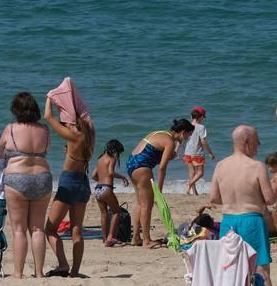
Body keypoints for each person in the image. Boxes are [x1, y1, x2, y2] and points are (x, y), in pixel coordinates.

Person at [208, 125, 277, 286]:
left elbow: (213, 197)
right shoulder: (257, 166)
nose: (259, 146)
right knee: (261, 272)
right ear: (247, 142)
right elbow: (269, 198)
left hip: (229, 221)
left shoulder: (221, 166)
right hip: (251, 220)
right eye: (257, 142)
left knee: (230, 273)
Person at [0, 91, 51, 278]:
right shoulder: (44, 130)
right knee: (38, 228)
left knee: (19, 229)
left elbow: (0, 153)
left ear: (15, 110)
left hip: (16, 178)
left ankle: (18, 273)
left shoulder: (10, 128)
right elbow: (47, 149)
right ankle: (39, 272)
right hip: (42, 178)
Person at [43, 94, 96, 277]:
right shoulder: (90, 138)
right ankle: (75, 271)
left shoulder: (74, 137)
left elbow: (48, 118)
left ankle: (63, 264)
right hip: (83, 183)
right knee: (76, 231)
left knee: (49, 229)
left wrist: (50, 97)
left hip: (69, 182)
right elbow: (87, 121)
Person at [126, 118, 195, 247]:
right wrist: (160, 190)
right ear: (183, 132)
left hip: (131, 163)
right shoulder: (170, 142)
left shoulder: (161, 134)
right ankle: (146, 240)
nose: (187, 139)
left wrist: (170, 154)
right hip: (142, 165)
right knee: (147, 204)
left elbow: (152, 153)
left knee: (140, 203)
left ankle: (136, 237)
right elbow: (162, 167)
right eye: (188, 135)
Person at [91, 140, 129, 247]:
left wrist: (102, 178)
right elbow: (111, 172)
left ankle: (104, 237)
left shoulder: (100, 159)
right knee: (116, 212)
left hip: (98, 189)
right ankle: (110, 237)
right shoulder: (113, 158)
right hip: (106, 189)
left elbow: (94, 176)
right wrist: (123, 177)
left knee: (104, 214)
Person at [182, 106, 215, 196]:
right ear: (200, 117)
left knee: (192, 172)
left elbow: (183, 138)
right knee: (200, 173)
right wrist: (210, 153)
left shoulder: (188, 125)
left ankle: (194, 192)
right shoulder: (201, 127)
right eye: (203, 117)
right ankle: (189, 184)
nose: (203, 119)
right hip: (197, 152)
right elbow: (203, 142)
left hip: (188, 152)